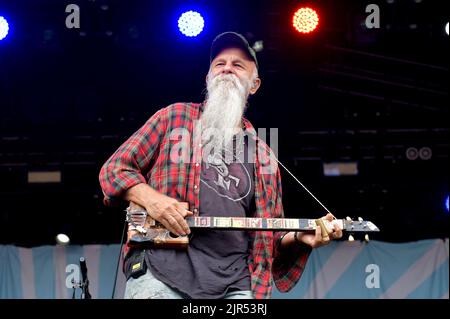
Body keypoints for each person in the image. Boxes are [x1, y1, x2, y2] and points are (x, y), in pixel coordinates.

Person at [99, 31, 343, 299]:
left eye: (238, 65)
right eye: (220, 64)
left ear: (254, 85)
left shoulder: (263, 153)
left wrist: (300, 237)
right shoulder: (173, 117)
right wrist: (153, 200)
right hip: (161, 271)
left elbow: (270, 236)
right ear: (208, 78)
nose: (227, 68)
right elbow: (115, 170)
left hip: (237, 284)